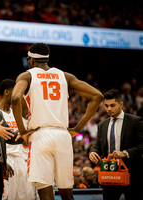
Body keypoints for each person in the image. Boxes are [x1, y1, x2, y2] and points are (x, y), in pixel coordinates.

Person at [11, 43, 103, 200]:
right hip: (63, 136)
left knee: (45, 191)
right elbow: (98, 96)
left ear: (31, 61)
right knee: (67, 192)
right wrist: (78, 128)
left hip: (41, 135)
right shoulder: (64, 76)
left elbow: (15, 98)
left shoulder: (27, 75)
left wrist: (23, 131)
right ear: (47, 59)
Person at [89, 89, 143, 200]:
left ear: (121, 104)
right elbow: (98, 146)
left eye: (112, 105)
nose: (109, 109)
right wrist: (93, 152)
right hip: (109, 175)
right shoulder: (102, 125)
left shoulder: (135, 121)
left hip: (131, 175)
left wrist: (125, 153)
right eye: (106, 105)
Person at [0, 79, 37, 200]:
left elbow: (25, 103)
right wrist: (2, 161)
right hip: (6, 161)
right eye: (16, 91)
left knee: (26, 197)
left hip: (21, 161)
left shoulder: (17, 113)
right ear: (7, 92)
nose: (19, 94)